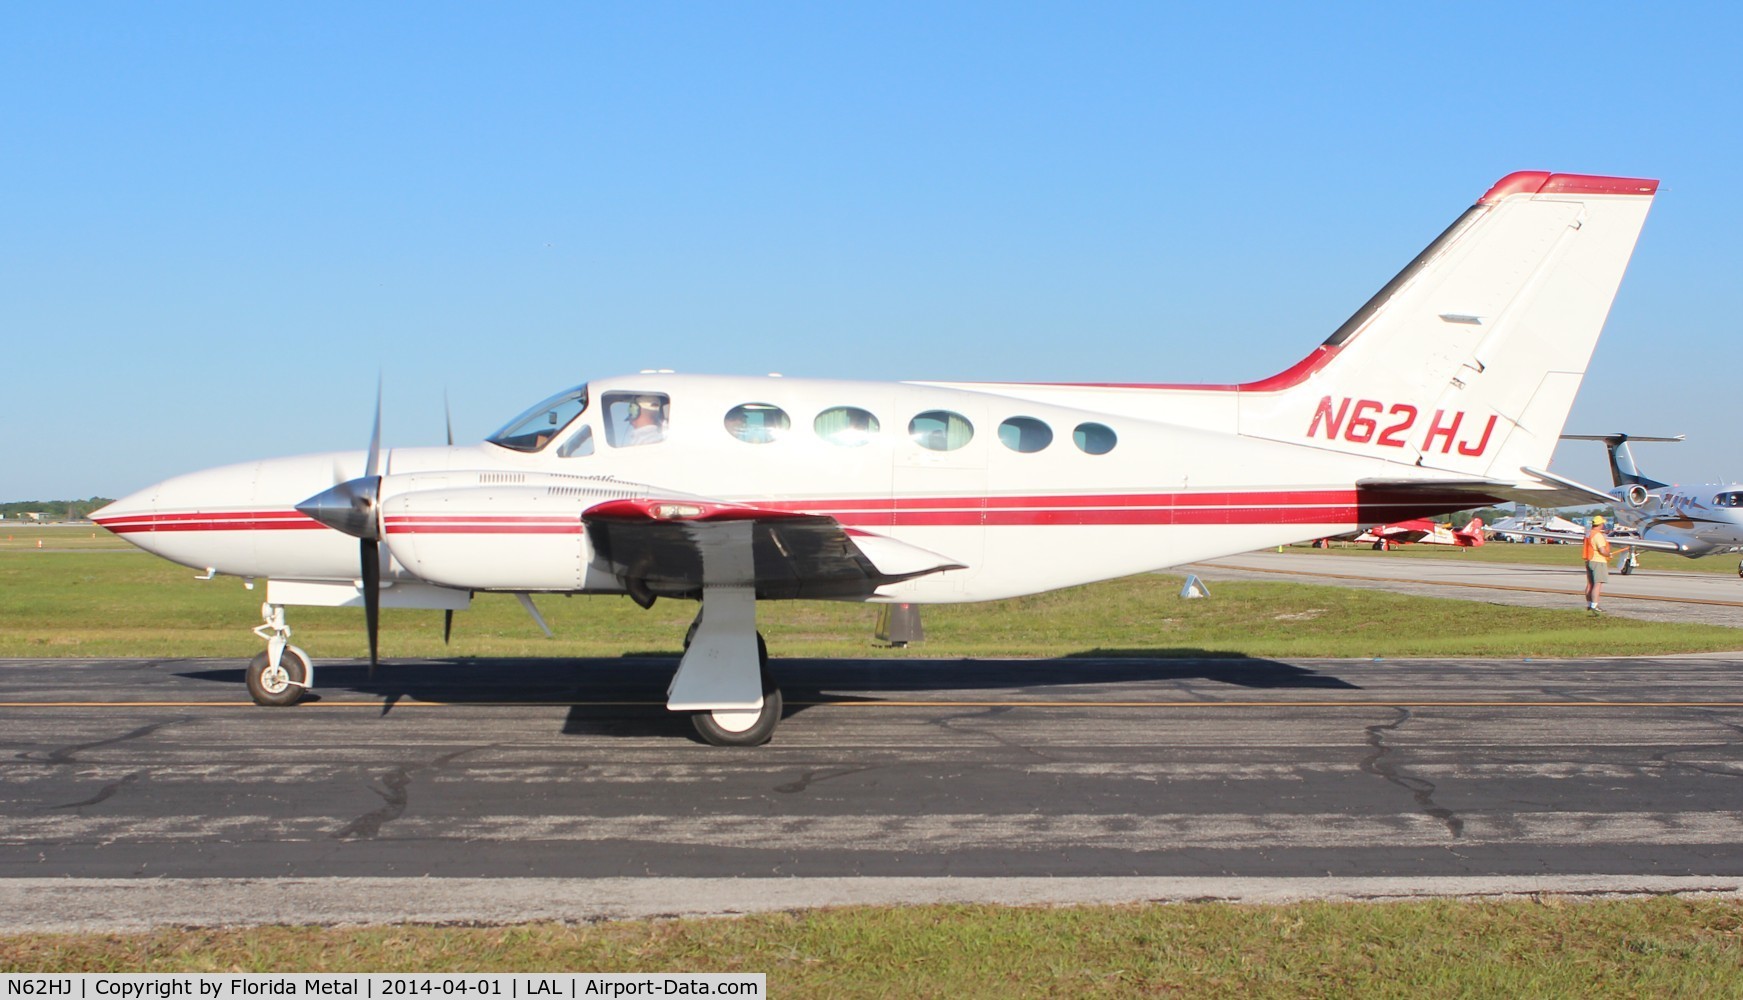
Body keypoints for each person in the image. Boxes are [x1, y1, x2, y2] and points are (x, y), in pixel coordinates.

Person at [1583, 515, 1611, 614]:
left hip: (1589, 560)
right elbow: (1602, 550)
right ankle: (1595, 605)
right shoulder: (1598, 535)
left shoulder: (1588, 533)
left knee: (1590, 584)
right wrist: (1608, 554)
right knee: (1597, 584)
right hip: (1598, 561)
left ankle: (1589, 604)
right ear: (1601, 524)